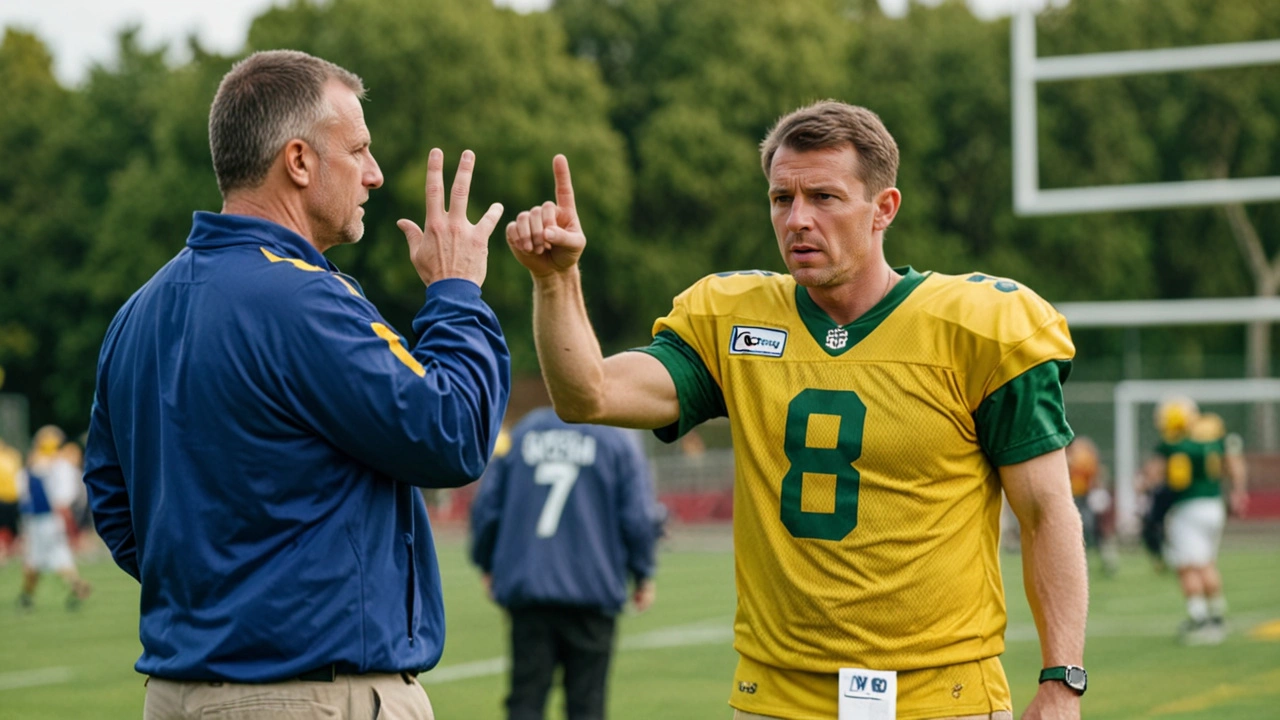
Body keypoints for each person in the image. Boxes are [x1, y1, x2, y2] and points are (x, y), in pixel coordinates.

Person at [505, 100, 1088, 719]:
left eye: (825, 197)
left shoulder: (977, 327)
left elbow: (1046, 511)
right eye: (782, 199)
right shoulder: (734, 318)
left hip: (940, 698)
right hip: (777, 699)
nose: (798, 219)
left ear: (882, 209)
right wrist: (555, 281)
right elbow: (587, 394)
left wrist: (1061, 679)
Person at [82, 50, 510, 720]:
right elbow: (451, 434)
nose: (374, 174)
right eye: (360, 149)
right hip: (307, 694)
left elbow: (114, 504)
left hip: (178, 695)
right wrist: (454, 292)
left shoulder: (139, 310)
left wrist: (228, 593)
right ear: (300, 160)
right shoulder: (303, 299)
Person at [470, 407, 661, 720]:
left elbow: (487, 508)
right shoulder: (616, 440)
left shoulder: (522, 433)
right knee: (587, 704)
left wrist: (487, 562)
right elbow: (638, 518)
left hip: (529, 585)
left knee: (525, 700)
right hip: (592, 590)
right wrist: (643, 573)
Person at [1141, 398, 1248, 645]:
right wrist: (1238, 491)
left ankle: (1200, 619)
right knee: (1207, 563)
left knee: (1188, 566)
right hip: (1213, 504)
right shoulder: (1213, 438)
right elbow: (1233, 464)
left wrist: (1145, 487)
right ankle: (1218, 615)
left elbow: (1152, 474)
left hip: (1187, 507)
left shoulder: (1172, 444)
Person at [15, 425, 93, 609]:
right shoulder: (58, 465)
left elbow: (49, 499)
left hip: (41, 520)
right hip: (48, 519)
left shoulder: (44, 466)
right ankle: (28, 595)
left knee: (40, 558)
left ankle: (28, 596)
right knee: (45, 558)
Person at [1065, 436, 1117, 576]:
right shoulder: (1070, 457)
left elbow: (1097, 475)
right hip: (1071, 498)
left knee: (1094, 529)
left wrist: (1098, 492)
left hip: (1085, 497)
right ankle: (1076, 563)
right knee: (1079, 531)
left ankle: (1106, 561)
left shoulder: (1083, 456)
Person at [0, 437, 21, 564]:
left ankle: (8, 550)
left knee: (10, 526)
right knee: (4, 526)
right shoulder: (12, 456)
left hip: (12, 497)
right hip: (4, 497)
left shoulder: (12, 456)